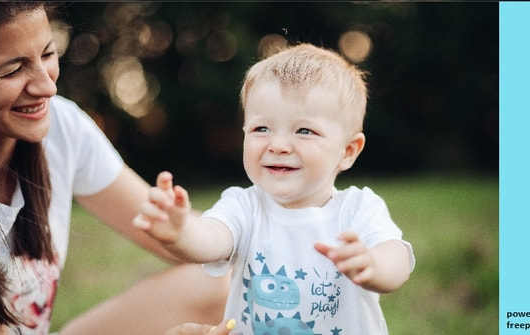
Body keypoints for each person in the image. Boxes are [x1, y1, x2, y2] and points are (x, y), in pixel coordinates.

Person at [0, 2, 231, 334]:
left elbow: (171, 230)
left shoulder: (62, 125)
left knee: (217, 280)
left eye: (48, 54)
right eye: (13, 70)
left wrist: (292, 236)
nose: (47, 87)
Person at [134, 43, 416, 334]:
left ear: (348, 150)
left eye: (304, 131)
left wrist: (373, 265)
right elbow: (212, 240)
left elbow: (397, 259)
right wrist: (181, 232)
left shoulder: (358, 209)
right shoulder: (244, 206)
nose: (278, 145)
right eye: (261, 129)